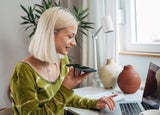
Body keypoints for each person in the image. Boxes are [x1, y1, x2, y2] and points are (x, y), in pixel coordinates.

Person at [10, 7, 117, 115]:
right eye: (70, 36)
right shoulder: (24, 70)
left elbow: (64, 97)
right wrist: (65, 89)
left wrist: (94, 103)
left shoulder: (61, 59)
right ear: (50, 34)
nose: (74, 43)